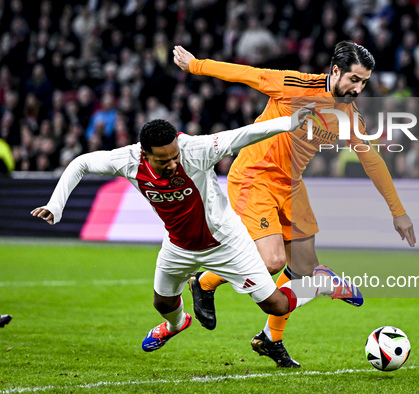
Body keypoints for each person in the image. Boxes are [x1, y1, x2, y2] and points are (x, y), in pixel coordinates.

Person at [31, 110, 362, 352]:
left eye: (175, 156)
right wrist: (56, 205)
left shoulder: (196, 150)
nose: (174, 163)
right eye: (165, 161)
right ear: (145, 154)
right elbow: (82, 163)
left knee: (275, 305)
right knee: (163, 302)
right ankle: (176, 325)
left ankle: (319, 285)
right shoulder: (128, 160)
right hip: (178, 246)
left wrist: (289, 123)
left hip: (225, 243)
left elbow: (243, 134)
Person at [173, 41, 416, 367]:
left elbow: (372, 161)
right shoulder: (295, 85)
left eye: (363, 83)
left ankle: (271, 339)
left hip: (290, 186)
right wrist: (196, 65)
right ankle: (203, 283)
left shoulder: (349, 116)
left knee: (302, 270)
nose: (358, 89)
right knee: (272, 262)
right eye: (354, 80)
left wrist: (398, 211)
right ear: (335, 71)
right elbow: (249, 74)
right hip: (254, 176)